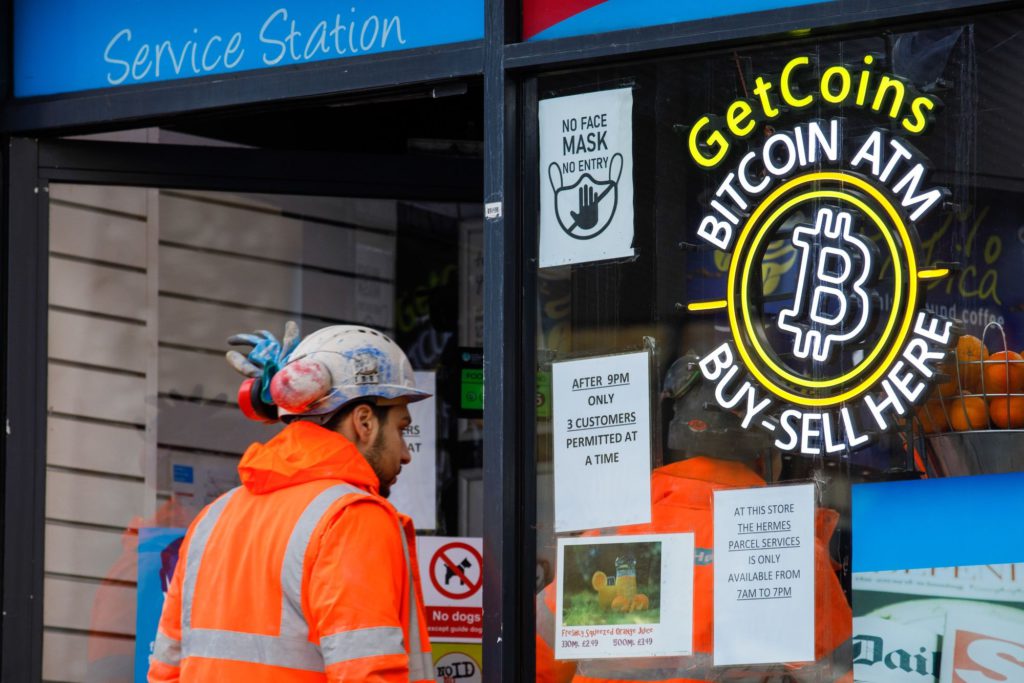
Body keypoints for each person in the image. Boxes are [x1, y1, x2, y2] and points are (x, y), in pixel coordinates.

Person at [535, 354, 853, 683]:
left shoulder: (611, 534)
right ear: (768, 452)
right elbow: (841, 675)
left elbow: (536, 661)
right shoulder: (788, 549)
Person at [148, 324, 434, 682]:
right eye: (401, 429)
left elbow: (165, 671)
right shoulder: (351, 517)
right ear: (364, 422)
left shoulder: (213, 518)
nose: (405, 453)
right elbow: (367, 673)